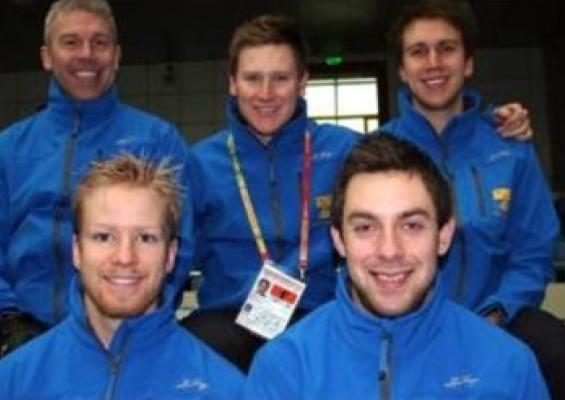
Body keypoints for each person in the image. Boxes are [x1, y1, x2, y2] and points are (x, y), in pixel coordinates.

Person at [185, 13, 535, 372]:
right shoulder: (200, 163)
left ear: (302, 82)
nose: (266, 94)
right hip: (229, 318)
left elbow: (427, 146)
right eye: (253, 78)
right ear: (232, 83)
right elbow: (175, 252)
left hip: (324, 314)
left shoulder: (346, 149)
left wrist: (489, 123)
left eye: (281, 78)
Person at [381, 0, 565, 398]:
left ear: (468, 63)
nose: (433, 62)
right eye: (418, 51)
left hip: (501, 315)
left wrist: (497, 312)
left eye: (447, 48)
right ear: (402, 70)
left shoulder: (510, 147)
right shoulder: (379, 151)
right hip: (408, 322)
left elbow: (532, 251)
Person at [244, 134, 549, 399]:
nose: (389, 250)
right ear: (339, 241)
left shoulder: (508, 365)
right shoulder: (283, 368)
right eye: (365, 227)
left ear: (443, 236)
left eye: (411, 225)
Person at [0, 0, 195, 357]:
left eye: (100, 42)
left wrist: (143, 320)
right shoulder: (9, 149)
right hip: (23, 337)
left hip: (129, 338)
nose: (87, 54)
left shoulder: (158, 141)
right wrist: (8, 320)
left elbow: (180, 242)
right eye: (71, 42)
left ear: (117, 56)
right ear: (47, 56)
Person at [0, 154, 244, 400]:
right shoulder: (13, 382)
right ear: (77, 251)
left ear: (170, 255)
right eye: (104, 237)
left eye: (145, 238)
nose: (125, 257)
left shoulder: (225, 390)